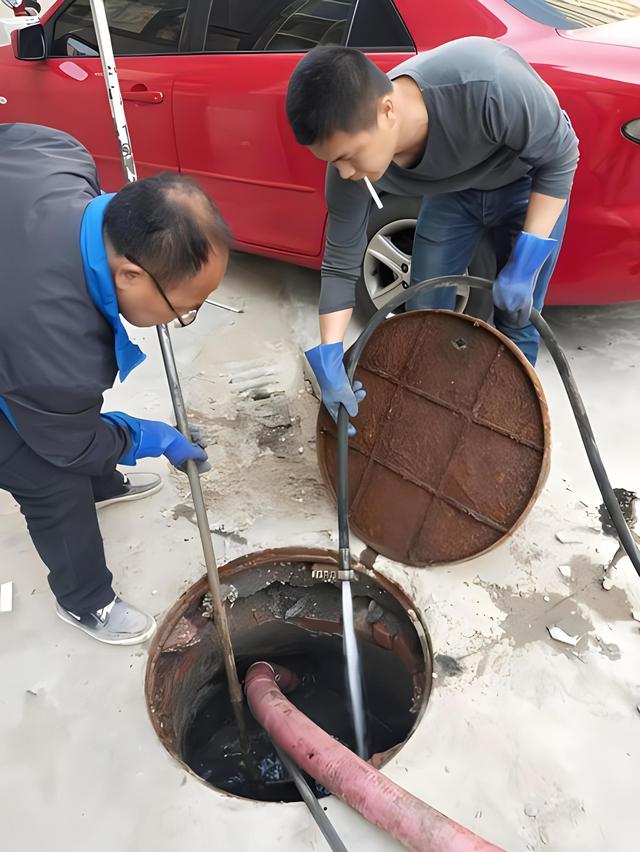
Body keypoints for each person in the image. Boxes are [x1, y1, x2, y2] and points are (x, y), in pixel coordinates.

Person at [0, 123, 231, 645]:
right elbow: (69, 441)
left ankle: (101, 485)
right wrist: (147, 436)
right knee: (47, 473)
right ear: (129, 274)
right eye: (184, 308)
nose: (181, 319)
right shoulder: (56, 352)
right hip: (17, 338)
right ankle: (85, 600)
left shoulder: (58, 154)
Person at [286, 37, 579, 428]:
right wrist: (330, 351)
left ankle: (504, 426)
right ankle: (433, 418)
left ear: (387, 110)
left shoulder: (488, 85)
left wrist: (525, 264)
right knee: (425, 309)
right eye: (333, 161)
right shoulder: (348, 169)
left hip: (526, 185)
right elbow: (340, 262)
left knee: (517, 318)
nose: (344, 172)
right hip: (454, 190)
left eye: (347, 156)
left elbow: (560, 158)